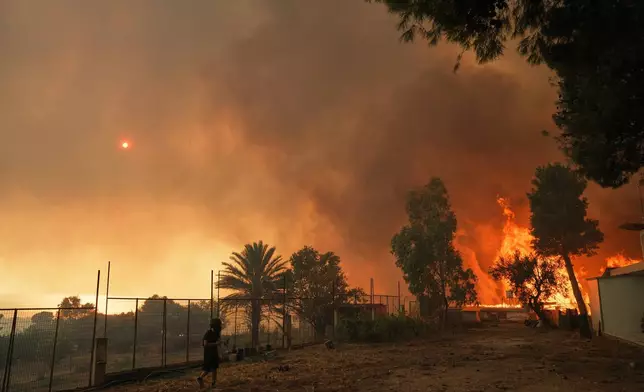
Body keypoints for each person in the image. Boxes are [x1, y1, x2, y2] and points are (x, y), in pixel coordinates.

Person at [197, 318, 222, 389]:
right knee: (207, 369)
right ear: (214, 326)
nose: (219, 327)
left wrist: (221, 343)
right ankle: (200, 378)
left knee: (214, 368)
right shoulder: (208, 333)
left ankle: (213, 383)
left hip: (214, 353)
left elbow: (218, 342)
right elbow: (205, 344)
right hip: (208, 354)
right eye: (218, 325)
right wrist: (215, 344)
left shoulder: (216, 333)